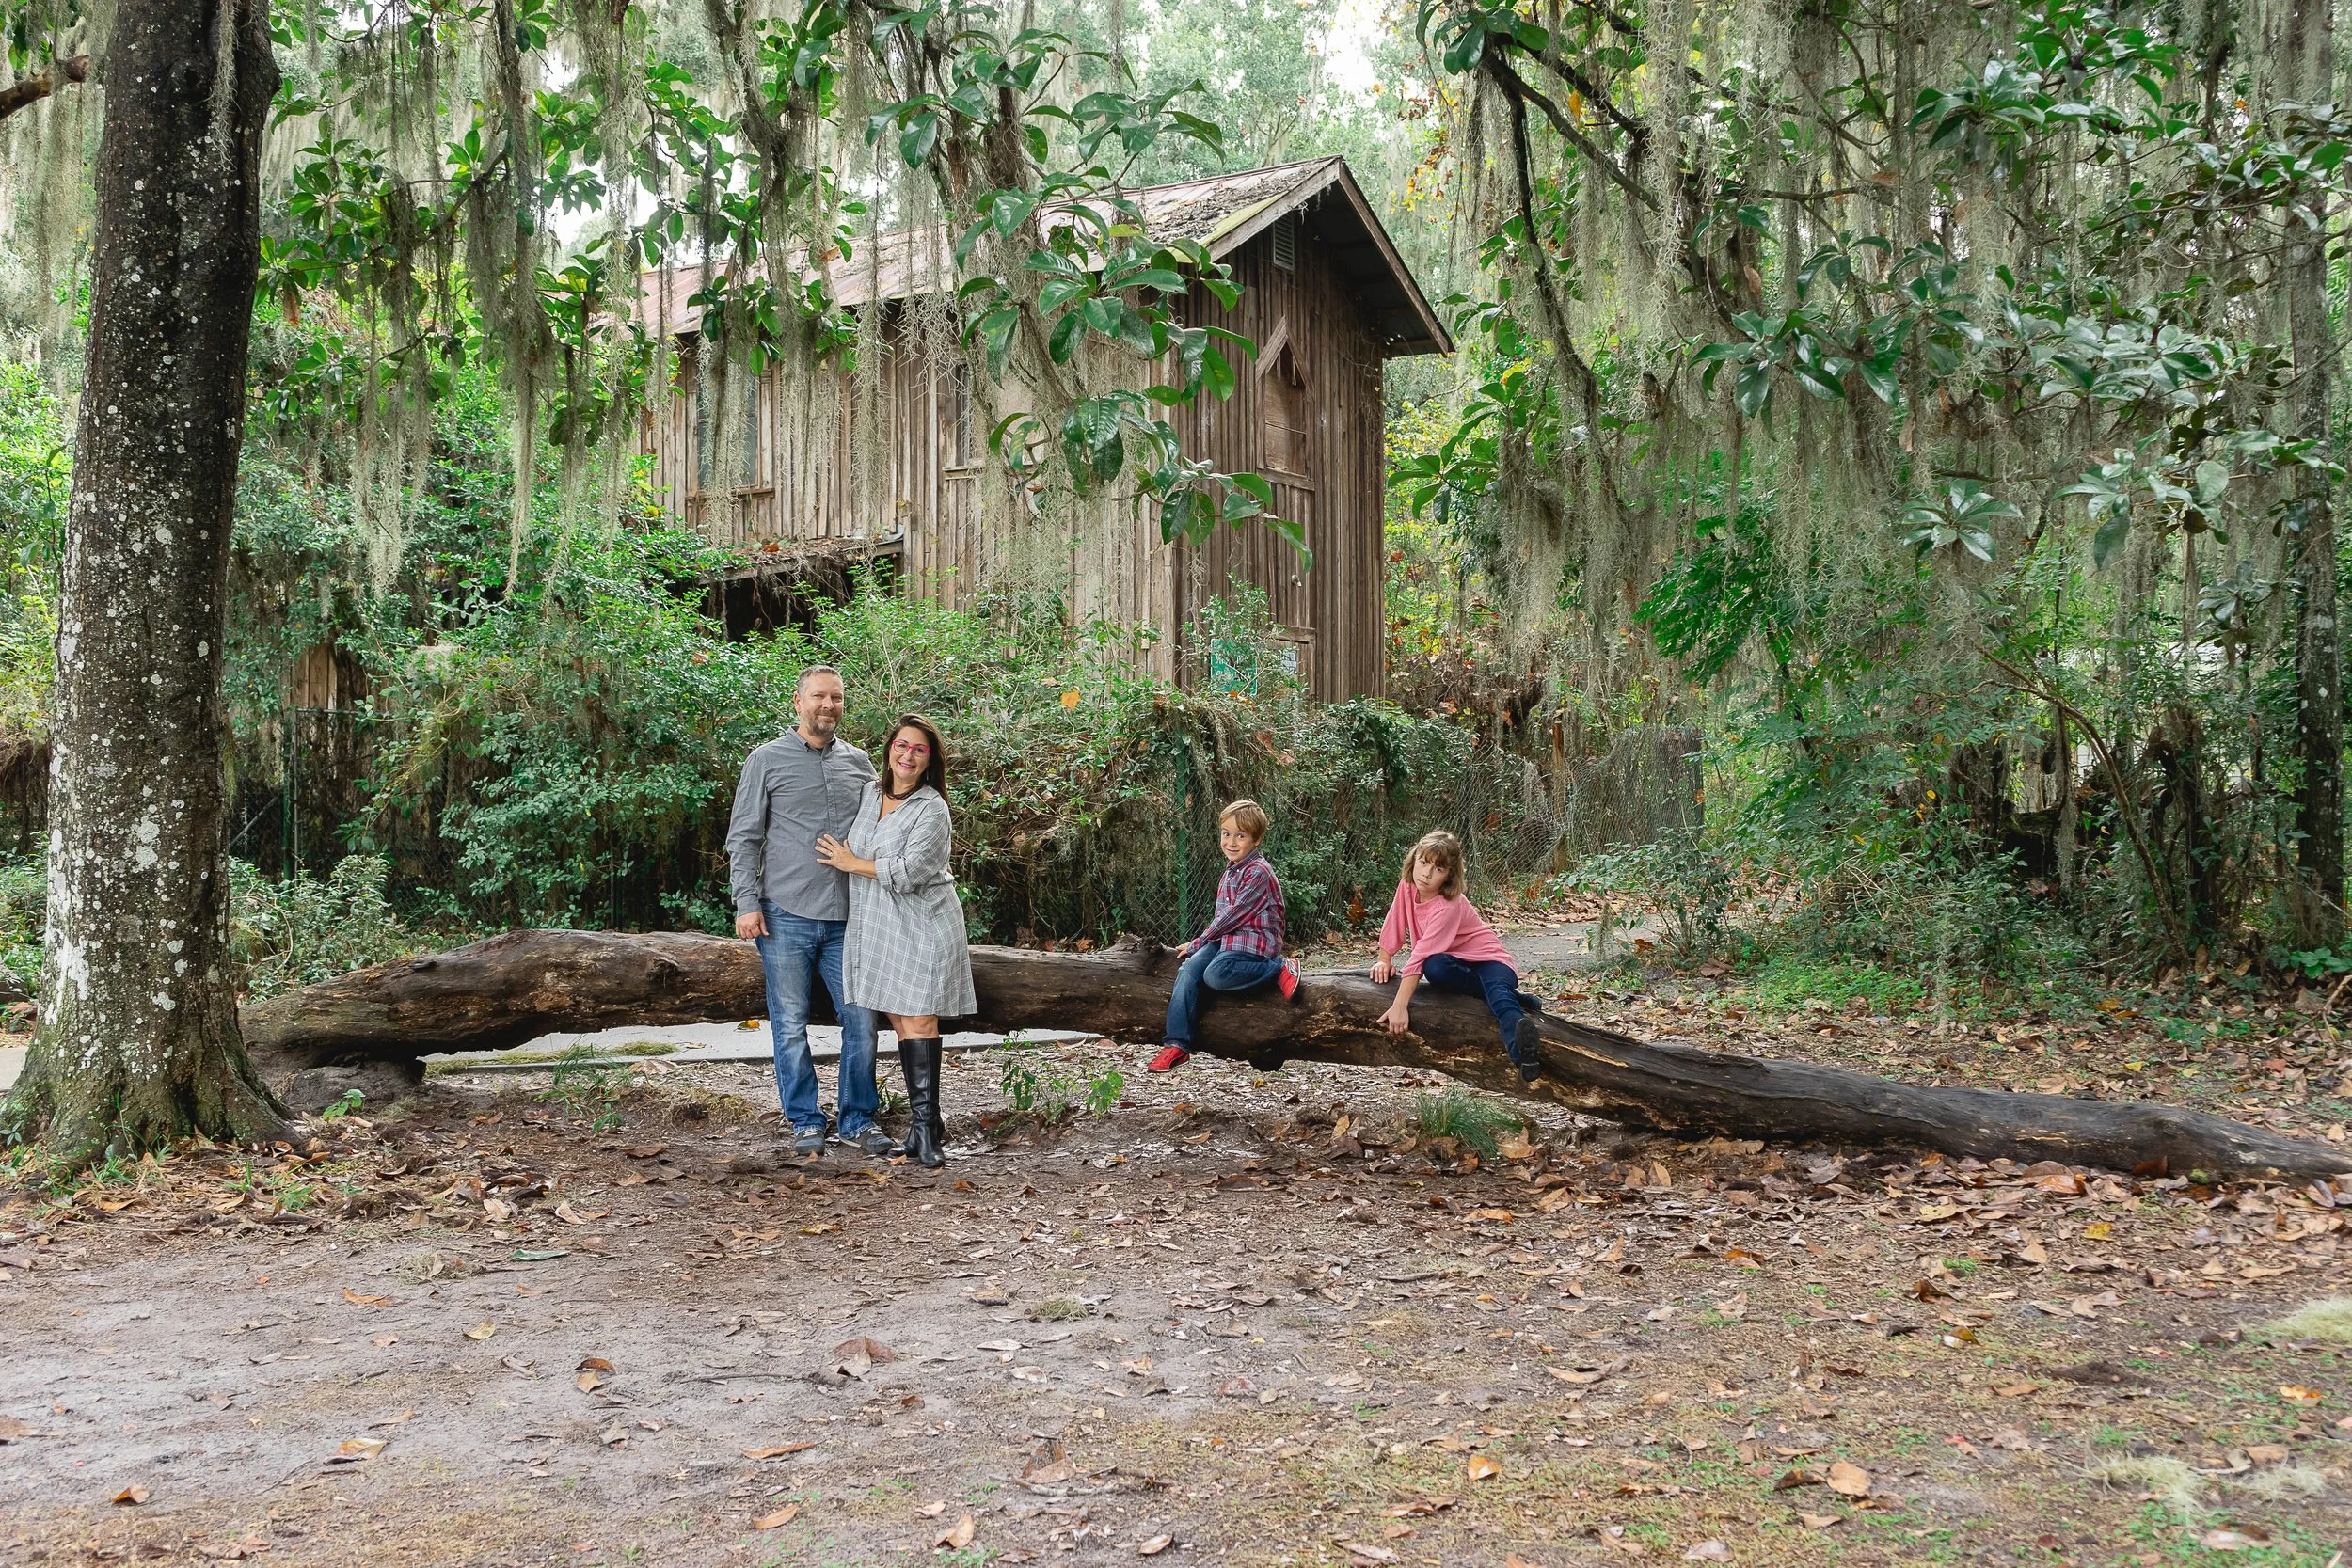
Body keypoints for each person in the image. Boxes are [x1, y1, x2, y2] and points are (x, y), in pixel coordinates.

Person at [726, 664, 890, 1158]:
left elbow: (882, 828)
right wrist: (746, 902)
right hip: (784, 916)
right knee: (790, 1024)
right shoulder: (766, 760)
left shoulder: (860, 763)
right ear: (798, 702)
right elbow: (744, 835)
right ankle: (804, 1122)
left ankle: (858, 1121)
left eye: (836, 698)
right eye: (819, 697)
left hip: (850, 918)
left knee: (861, 1021)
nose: (828, 706)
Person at [817, 713, 976, 1169]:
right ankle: (924, 1125)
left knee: (920, 1022)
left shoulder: (932, 809)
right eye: (902, 746)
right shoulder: (870, 794)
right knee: (903, 1025)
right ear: (889, 749)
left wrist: (850, 863)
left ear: (930, 760)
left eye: (919, 750)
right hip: (881, 928)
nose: (908, 755)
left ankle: (926, 1131)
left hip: (924, 924)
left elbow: (908, 873)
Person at [1372, 829, 1546, 1081]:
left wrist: (1399, 1006)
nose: (1426, 873)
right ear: (1414, 859)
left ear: (1449, 876)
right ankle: (1518, 999)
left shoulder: (1448, 905)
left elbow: (1419, 954)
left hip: (1491, 961)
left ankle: (1524, 1057)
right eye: (1423, 863)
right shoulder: (1408, 885)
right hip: (1452, 964)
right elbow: (1395, 920)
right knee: (1435, 969)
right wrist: (1384, 959)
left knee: (1498, 997)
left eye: (1438, 869)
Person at [1148, 799, 1299, 1073]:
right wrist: (1200, 948)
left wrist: (1198, 942)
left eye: (1240, 836)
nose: (1230, 842)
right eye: (1226, 834)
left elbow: (1235, 915)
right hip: (1228, 939)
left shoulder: (1258, 872)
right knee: (1189, 970)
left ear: (1256, 839)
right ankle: (1177, 1044)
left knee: (1215, 975)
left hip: (1254, 942)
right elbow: (1223, 919)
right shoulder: (1232, 870)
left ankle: (1278, 969)